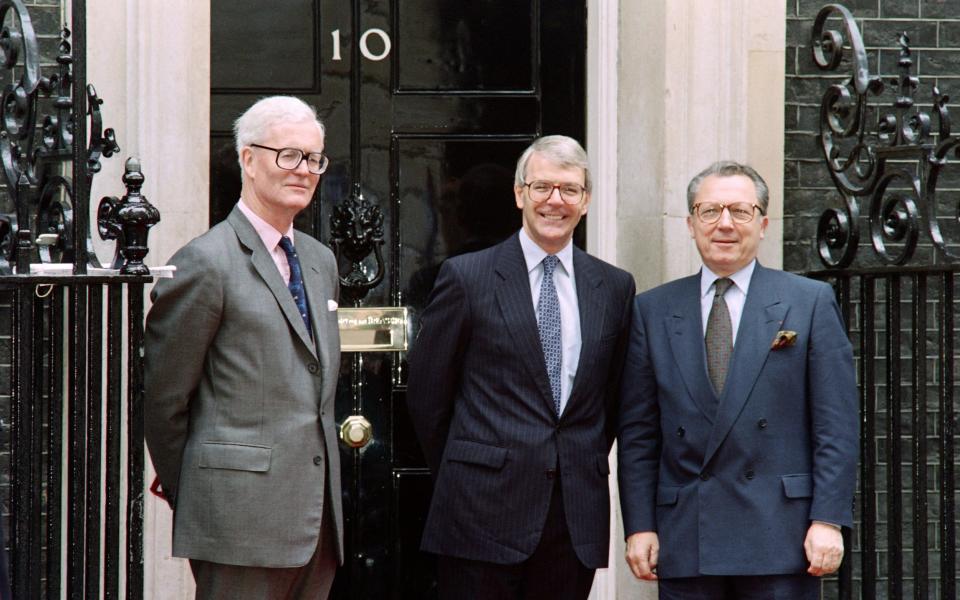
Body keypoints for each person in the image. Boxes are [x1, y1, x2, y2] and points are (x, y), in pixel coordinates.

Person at [406, 135, 636, 600]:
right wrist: (477, 466)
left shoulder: (613, 288)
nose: (556, 200)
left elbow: (611, 401)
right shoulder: (467, 277)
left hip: (572, 522)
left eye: (570, 189)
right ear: (519, 194)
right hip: (480, 513)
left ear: (586, 200)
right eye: (542, 187)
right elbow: (428, 397)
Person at [617, 161, 859, 599]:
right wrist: (640, 526)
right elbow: (638, 434)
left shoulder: (809, 302)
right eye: (709, 211)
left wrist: (828, 519)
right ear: (691, 224)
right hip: (688, 536)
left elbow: (835, 426)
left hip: (782, 536)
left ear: (763, 223)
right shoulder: (651, 310)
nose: (724, 224)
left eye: (739, 211)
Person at [144, 95, 343, 599]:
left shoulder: (320, 263)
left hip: (316, 527)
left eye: (314, 158)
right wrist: (206, 494)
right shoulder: (205, 263)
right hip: (235, 527)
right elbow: (164, 400)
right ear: (248, 159)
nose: (305, 170)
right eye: (289, 155)